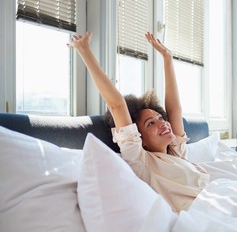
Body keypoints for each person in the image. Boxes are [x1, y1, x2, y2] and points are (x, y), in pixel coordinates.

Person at [68, 31, 209, 213]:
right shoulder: (140, 161)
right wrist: (85, 51)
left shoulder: (175, 152)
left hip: (218, 197)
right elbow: (117, 105)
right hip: (201, 213)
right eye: (150, 123)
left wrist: (167, 58)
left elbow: (175, 110)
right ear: (139, 138)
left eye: (160, 118)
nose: (163, 123)